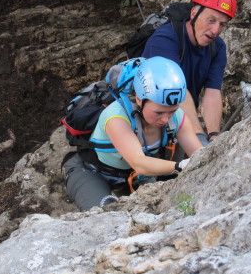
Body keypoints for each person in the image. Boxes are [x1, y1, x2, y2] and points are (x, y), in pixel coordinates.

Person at [63, 57, 204, 211]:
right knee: (104, 215)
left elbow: (200, 155)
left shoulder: (176, 117)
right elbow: (139, 163)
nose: (165, 119)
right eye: (159, 112)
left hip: (136, 177)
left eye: (172, 111)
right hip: (92, 171)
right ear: (139, 99)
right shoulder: (116, 117)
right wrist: (180, 166)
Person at [142, 0, 237, 146]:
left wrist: (214, 137)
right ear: (194, 13)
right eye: (211, 20)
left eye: (222, 24)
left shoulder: (217, 47)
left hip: (178, 115)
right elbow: (177, 90)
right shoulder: (165, 39)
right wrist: (198, 136)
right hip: (150, 118)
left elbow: (213, 92)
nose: (215, 30)